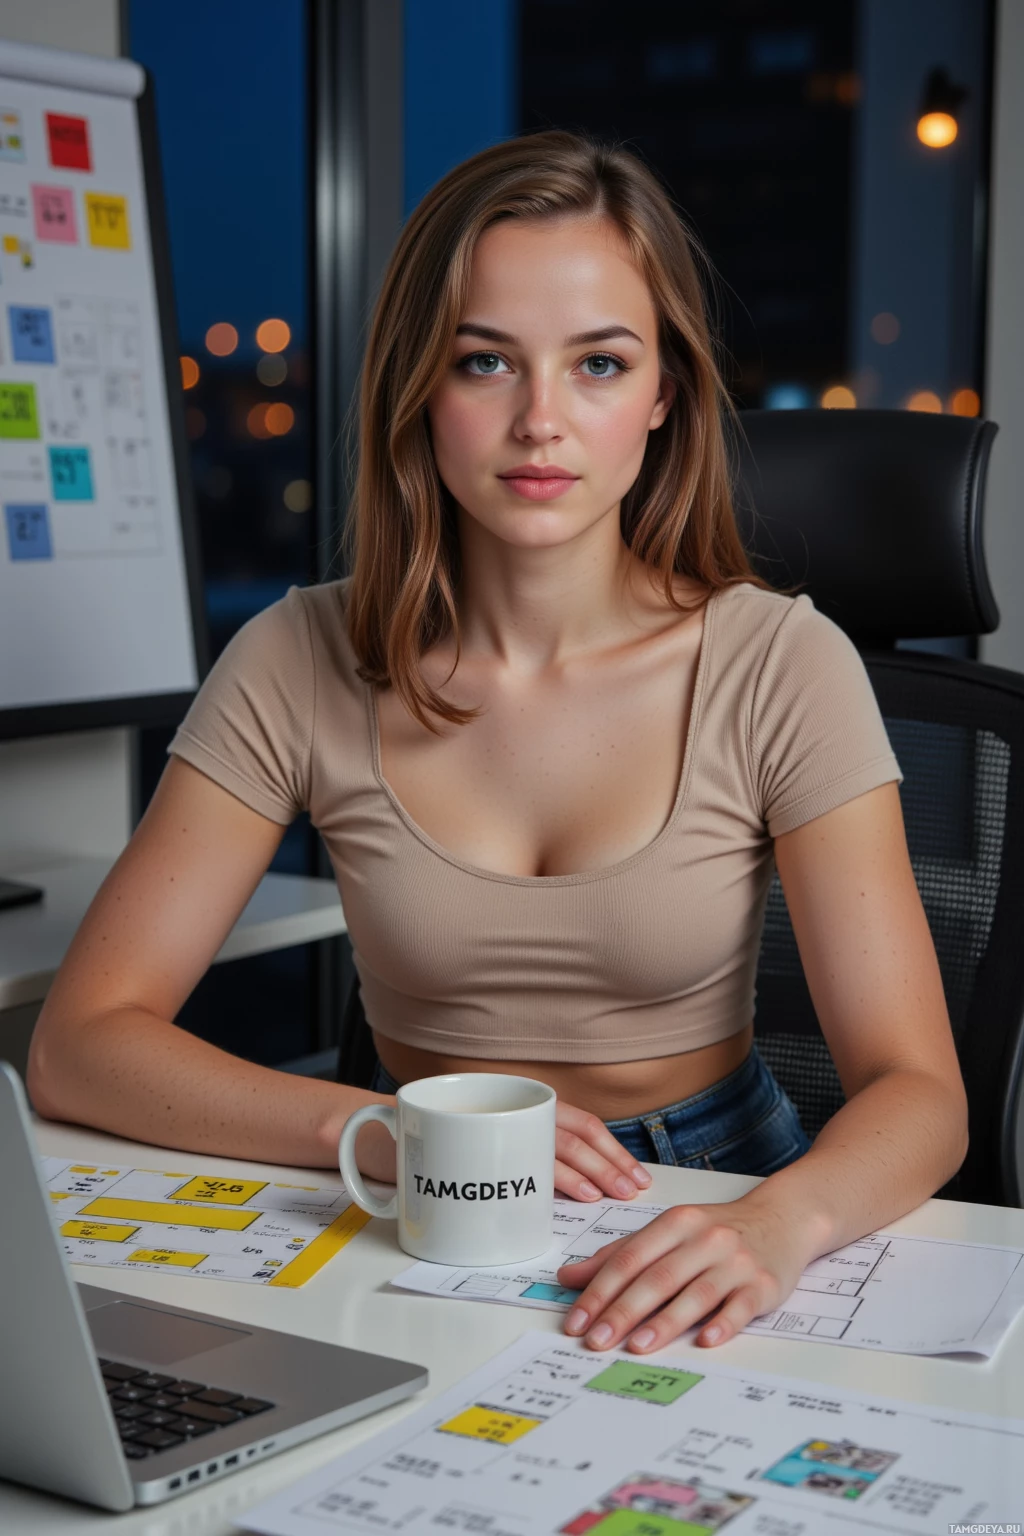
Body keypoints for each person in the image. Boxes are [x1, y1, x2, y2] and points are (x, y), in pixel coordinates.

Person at [28, 132, 967, 1356]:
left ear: (662, 394)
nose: (540, 421)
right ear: (423, 384)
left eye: (597, 364)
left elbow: (921, 1093)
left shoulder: (781, 664)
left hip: (711, 1192)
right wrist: (364, 1130)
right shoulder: (296, 656)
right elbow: (79, 1043)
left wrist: (775, 1224)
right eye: (485, 362)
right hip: (412, 1192)